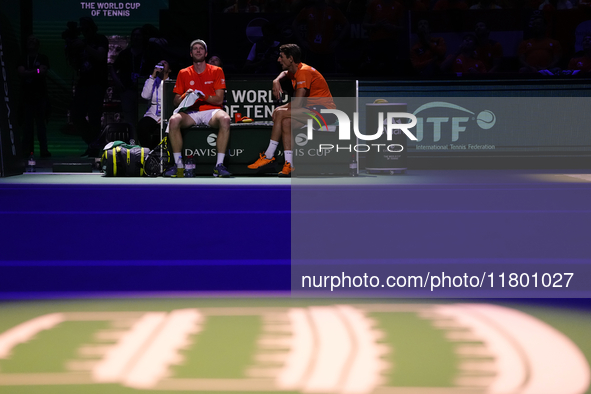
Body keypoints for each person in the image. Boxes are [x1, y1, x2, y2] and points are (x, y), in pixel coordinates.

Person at [247, 43, 336, 177]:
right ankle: (289, 165)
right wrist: (276, 80)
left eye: (281, 57)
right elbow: (284, 73)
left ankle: (269, 155)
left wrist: (280, 110)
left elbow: (298, 104)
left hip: (326, 112)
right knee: (286, 122)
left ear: (291, 59)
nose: (278, 60)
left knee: (279, 112)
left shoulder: (304, 72)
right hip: (312, 109)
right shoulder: (295, 70)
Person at [165, 39, 232, 178]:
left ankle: (219, 166)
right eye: (195, 48)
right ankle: (179, 166)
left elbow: (219, 99)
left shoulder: (217, 71)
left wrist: (203, 96)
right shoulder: (183, 73)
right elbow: (176, 102)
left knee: (225, 119)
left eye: (201, 48)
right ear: (191, 53)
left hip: (211, 111)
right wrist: (186, 95)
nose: (198, 50)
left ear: (206, 53)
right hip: (191, 113)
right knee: (173, 120)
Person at [69, 17, 109, 157]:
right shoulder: (80, 43)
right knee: (76, 115)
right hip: (83, 83)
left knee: (94, 117)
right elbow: (75, 65)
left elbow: (100, 55)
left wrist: (84, 46)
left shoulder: (100, 39)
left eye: (86, 27)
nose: (84, 30)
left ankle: (94, 147)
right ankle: (93, 142)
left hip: (97, 83)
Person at [111, 27, 152, 138]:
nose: (136, 37)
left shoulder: (148, 54)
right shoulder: (125, 54)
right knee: (129, 119)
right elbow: (113, 68)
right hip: (127, 91)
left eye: (139, 35)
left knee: (143, 118)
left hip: (144, 91)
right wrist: (117, 81)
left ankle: (144, 142)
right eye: (134, 35)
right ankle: (133, 142)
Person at [17, 35, 51, 158]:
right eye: (29, 41)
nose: (31, 43)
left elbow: (42, 71)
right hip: (26, 96)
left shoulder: (43, 58)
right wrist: (35, 71)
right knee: (27, 126)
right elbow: (21, 72)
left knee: (41, 125)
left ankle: (44, 150)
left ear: (37, 44)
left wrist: (28, 72)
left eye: (33, 41)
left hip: (40, 96)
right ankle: (25, 150)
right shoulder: (22, 58)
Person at [137, 60, 171, 150]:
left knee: (162, 131)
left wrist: (165, 116)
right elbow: (145, 96)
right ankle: (148, 152)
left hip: (166, 114)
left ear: (169, 70)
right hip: (152, 114)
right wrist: (152, 76)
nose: (162, 64)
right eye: (160, 62)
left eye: (165, 63)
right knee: (142, 126)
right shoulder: (152, 81)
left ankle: (155, 152)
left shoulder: (172, 84)